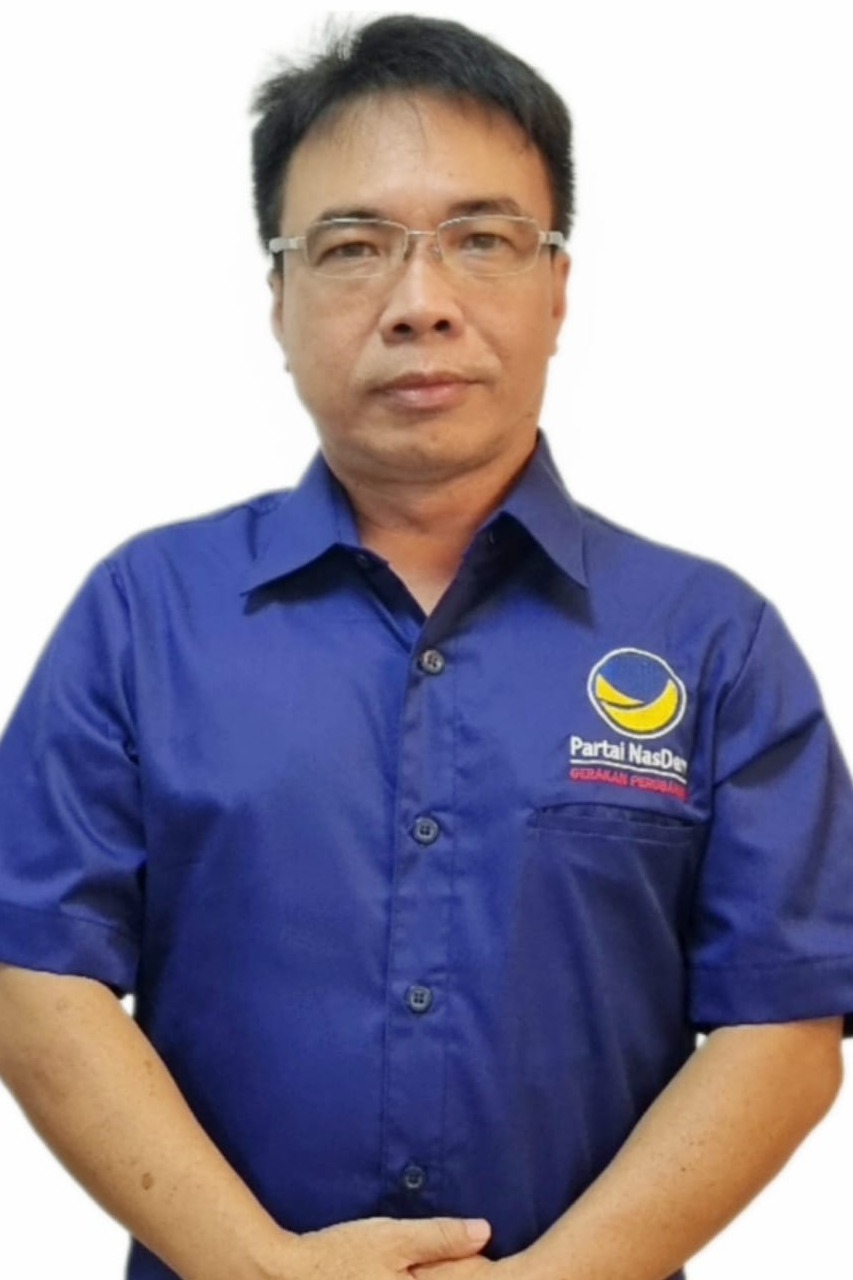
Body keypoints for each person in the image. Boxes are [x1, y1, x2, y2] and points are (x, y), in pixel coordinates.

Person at [0, 14, 851, 1280]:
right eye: (353, 246)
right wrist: (260, 1268)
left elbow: (784, 1018)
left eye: (480, 239)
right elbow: (32, 972)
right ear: (278, 296)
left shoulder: (711, 639)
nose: (421, 304)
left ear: (558, 285)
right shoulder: (142, 614)